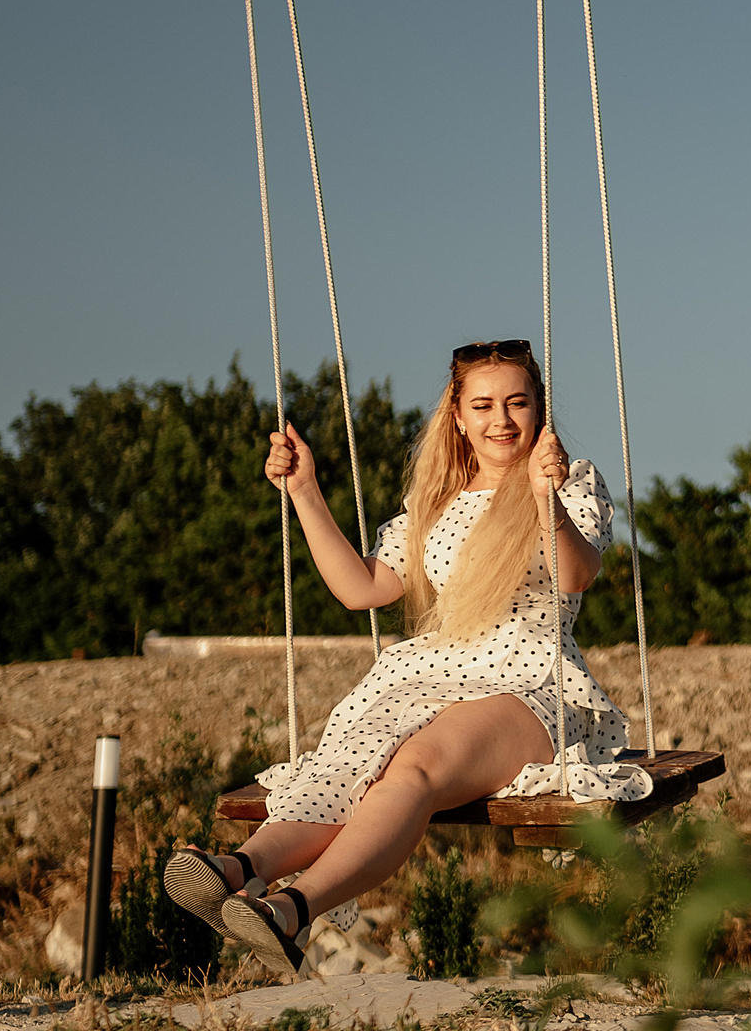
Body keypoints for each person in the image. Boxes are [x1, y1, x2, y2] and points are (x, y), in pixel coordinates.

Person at [165, 339, 650, 978]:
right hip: (429, 675)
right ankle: (236, 870)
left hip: (532, 682)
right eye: (483, 405)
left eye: (517, 403)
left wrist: (542, 497)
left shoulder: (568, 480)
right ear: (457, 414)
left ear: (539, 409)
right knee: (354, 758)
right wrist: (305, 492)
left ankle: (290, 911)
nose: (501, 419)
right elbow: (362, 588)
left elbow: (576, 576)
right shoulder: (437, 502)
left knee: (414, 766)